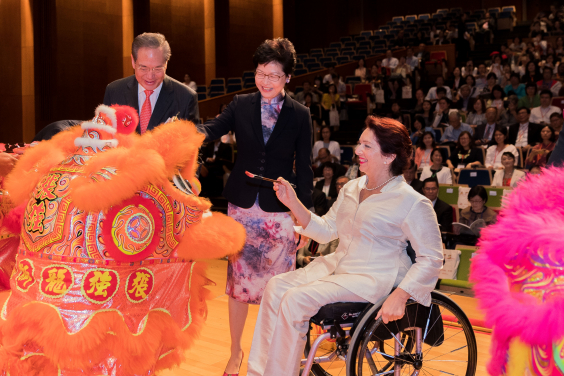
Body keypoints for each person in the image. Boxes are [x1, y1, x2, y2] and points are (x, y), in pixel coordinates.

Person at [246, 117, 443, 376]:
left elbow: (432, 258)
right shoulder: (352, 187)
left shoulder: (413, 202)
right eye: (359, 144)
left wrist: (401, 294)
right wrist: (293, 203)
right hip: (339, 266)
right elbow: (327, 230)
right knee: (275, 287)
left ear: (389, 157)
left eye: (367, 146)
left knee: (296, 299)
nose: (357, 151)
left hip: (373, 276)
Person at [196, 38, 313, 376]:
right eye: (261, 73)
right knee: (238, 285)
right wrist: (183, 134)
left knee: (278, 289)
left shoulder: (300, 114)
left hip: (280, 212)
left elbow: (304, 168)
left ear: (288, 77)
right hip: (243, 208)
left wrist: (303, 218)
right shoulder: (241, 104)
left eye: (274, 75)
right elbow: (212, 130)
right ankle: (235, 353)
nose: (266, 81)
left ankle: (273, 358)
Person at [103, 32, 199, 132]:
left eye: (157, 68)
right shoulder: (114, 91)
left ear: (166, 64)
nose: (150, 76)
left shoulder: (186, 97)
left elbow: (192, 144)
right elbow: (104, 138)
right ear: (133, 61)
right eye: (143, 68)